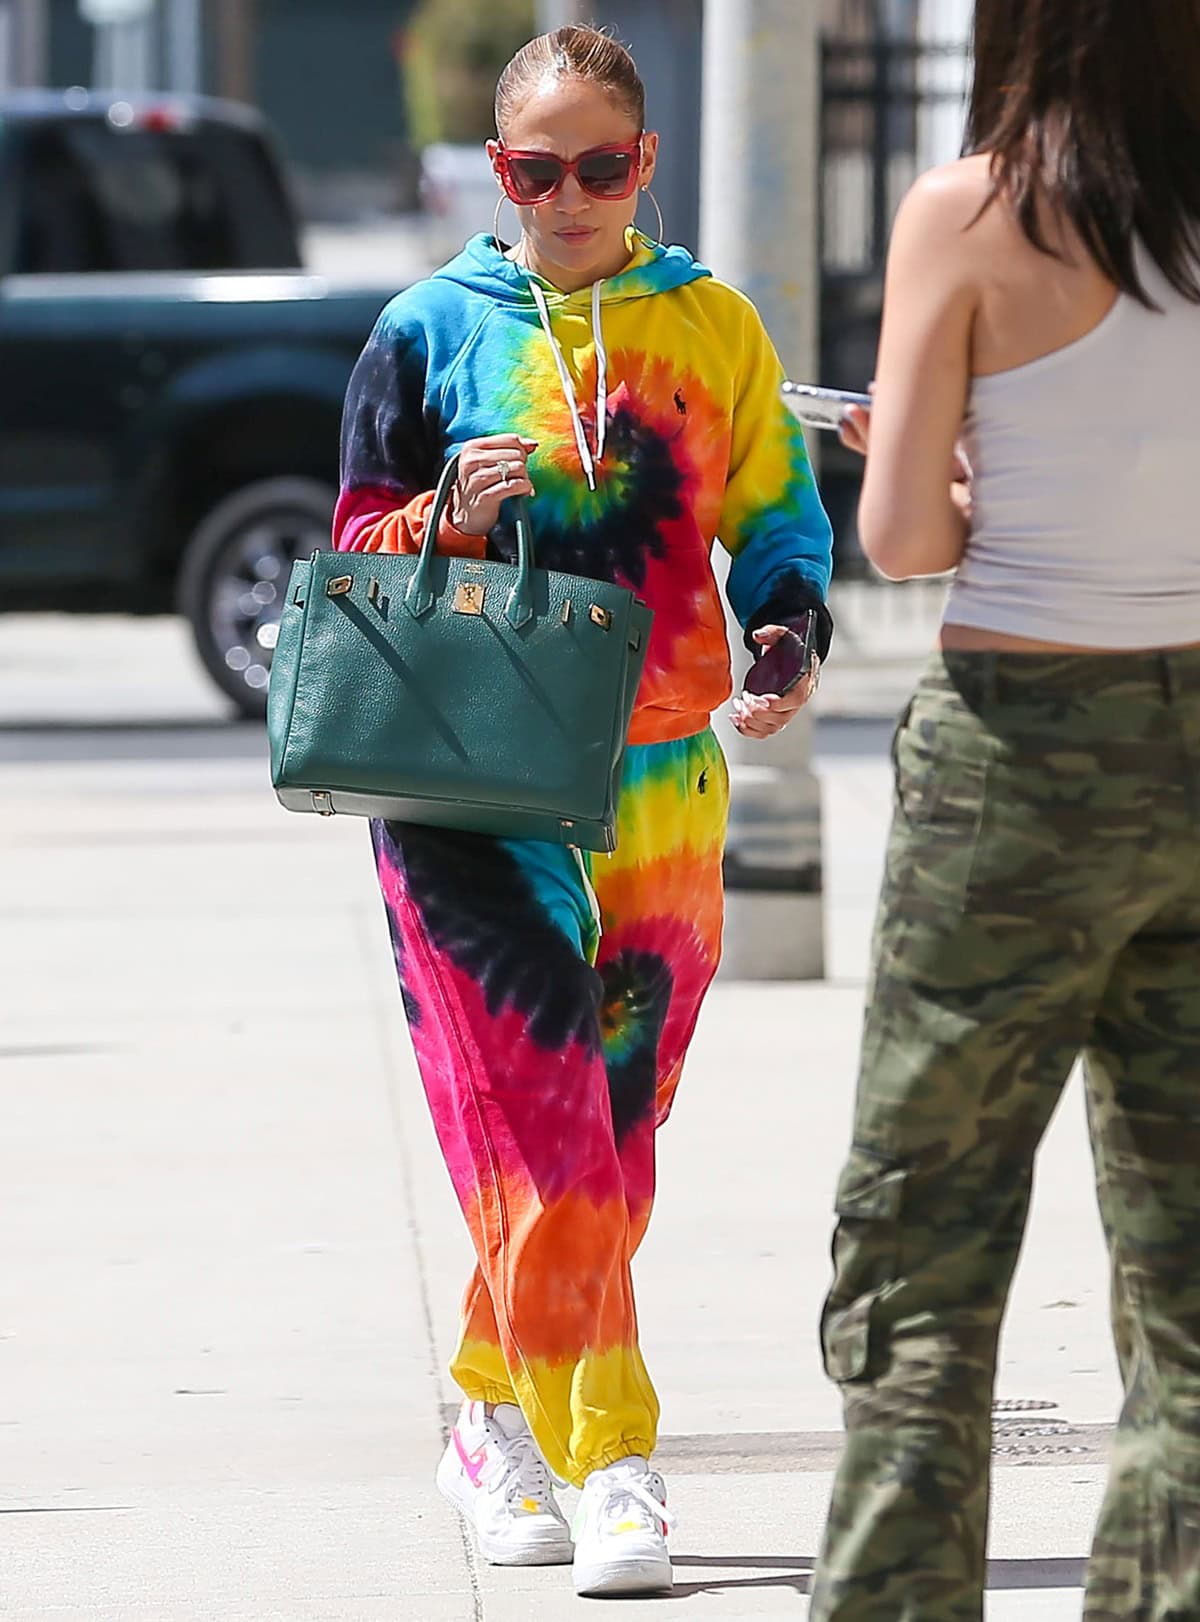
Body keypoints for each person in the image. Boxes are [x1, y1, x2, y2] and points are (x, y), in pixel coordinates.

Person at [333, 24, 833, 1600]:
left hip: (662, 779)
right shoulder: (424, 329)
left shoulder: (713, 327)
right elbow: (353, 548)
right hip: (464, 787)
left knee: (615, 1139)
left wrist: (781, 631)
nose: (567, 196)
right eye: (537, 170)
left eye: (598, 166)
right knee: (549, 1129)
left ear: (645, 165)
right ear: (498, 173)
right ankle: (612, 1459)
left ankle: (490, 1417)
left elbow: (774, 511)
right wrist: (443, 514)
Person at [809, 0, 1200, 1616]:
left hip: (1015, 771)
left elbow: (899, 537)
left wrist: (966, 465)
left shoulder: (966, 211)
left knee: (927, 1265)